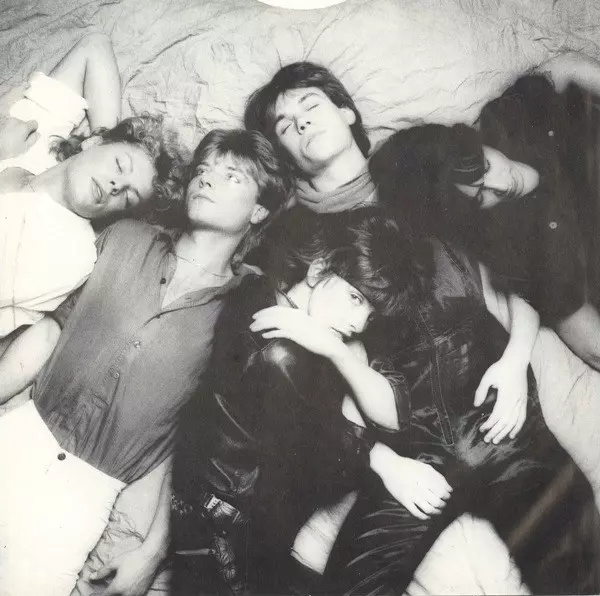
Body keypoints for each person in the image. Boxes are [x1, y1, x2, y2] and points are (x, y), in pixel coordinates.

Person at [0, 128, 288, 596]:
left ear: (259, 211)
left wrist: (154, 547)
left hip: (86, 492)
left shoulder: (245, 307)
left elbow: (192, 439)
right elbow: (50, 331)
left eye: (231, 175)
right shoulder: (125, 237)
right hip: (21, 430)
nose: (206, 179)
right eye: (203, 169)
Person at [170, 208, 454, 595]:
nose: (358, 322)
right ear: (318, 270)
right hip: (219, 527)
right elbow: (327, 456)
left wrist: (334, 349)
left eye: (370, 315)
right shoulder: (279, 348)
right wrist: (385, 461)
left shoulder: (325, 333)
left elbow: (396, 414)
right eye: (355, 298)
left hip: (251, 529)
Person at [322, 226, 600, 595]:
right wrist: (388, 464)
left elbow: (517, 299)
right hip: (421, 462)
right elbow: (340, 415)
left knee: (577, 559)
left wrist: (515, 362)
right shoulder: (337, 317)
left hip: (504, 433)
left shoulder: (441, 252)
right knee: (348, 583)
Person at [0, 33, 180, 404]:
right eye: (120, 165)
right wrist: (105, 137)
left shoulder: (73, 252)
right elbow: (94, 46)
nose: (116, 185)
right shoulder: (38, 143)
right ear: (94, 142)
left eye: (128, 196)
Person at [370, 118, 600, 373]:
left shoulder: (521, 114)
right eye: (480, 197)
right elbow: (594, 348)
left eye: (486, 167)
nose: (502, 186)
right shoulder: (518, 245)